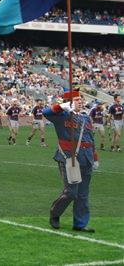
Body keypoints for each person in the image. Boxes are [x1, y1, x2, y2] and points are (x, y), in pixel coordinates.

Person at [44, 91, 98, 233]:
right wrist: (63, 106)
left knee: (83, 194)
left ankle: (80, 223)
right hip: (69, 157)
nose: (81, 101)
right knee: (71, 192)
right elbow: (46, 112)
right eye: (77, 99)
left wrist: (95, 157)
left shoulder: (86, 118)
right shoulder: (62, 116)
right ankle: (55, 213)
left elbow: (90, 139)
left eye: (81, 99)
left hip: (86, 158)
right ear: (69, 101)